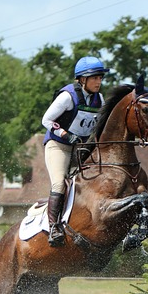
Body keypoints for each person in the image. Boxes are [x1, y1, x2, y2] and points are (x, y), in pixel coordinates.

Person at [41, 56, 109, 246]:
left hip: (80, 149)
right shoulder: (67, 96)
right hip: (59, 146)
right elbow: (46, 120)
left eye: (100, 77)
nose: (99, 81)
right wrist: (65, 134)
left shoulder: (99, 99)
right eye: (94, 77)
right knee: (59, 184)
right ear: (82, 79)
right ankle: (54, 227)